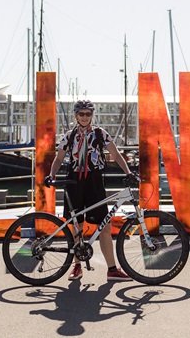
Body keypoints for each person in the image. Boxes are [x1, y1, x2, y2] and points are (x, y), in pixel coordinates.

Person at [46, 99, 135, 282]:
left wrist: (128, 172)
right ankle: (77, 266)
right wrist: (51, 175)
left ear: (92, 115)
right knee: (76, 225)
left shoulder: (101, 134)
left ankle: (112, 270)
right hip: (74, 182)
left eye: (88, 114)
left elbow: (116, 154)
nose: (84, 117)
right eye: (81, 114)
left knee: (105, 226)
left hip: (94, 181)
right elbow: (59, 158)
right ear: (76, 116)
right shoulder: (69, 136)